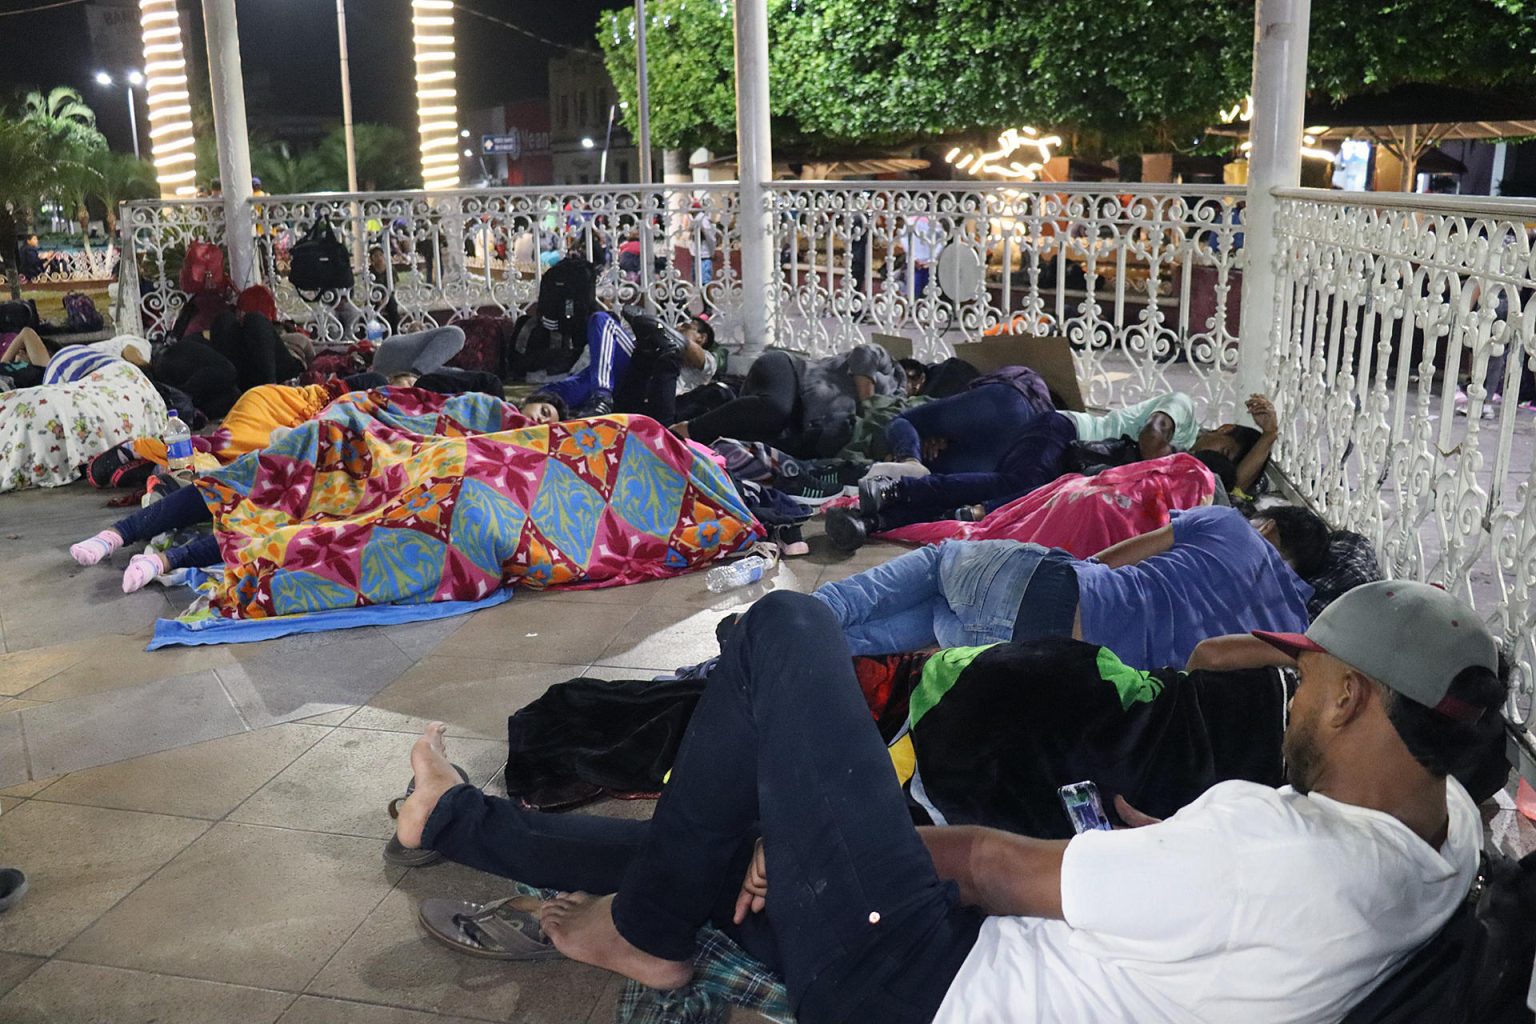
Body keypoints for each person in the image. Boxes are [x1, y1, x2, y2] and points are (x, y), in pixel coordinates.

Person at [391, 580, 1501, 1023]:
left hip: (926, 988)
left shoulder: (1270, 847)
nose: (1291, 695)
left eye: (1305, 680)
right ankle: (453, 824)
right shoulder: (1448, 835)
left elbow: (981, 864)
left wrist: (816, 826)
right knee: (721, 852)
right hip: (1018, 960)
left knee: (785, 633)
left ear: (1354, 699)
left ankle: (645, 933)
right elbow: (1234, 894)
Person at [815, 503, 1327, 670]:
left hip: (1048, 589)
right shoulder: (1289, 635)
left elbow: (1111, 558)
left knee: (931, 568)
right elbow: (1207, 661)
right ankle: (794, 649)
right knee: (929, 620)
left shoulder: (1230, 523)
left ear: (1269, 528)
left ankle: (776, 625)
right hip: (1051, 659)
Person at [828, 392, 1279, 549]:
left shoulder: (1198, 477)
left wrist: (1270, 435)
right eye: (1227, 449)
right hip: (1061, 433)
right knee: (1014, 489)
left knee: (997, 514)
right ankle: (894, 494)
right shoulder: (1181, 413)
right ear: (1220, 432)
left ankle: (873, 518)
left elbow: (1233, 486)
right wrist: (1139, 479)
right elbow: (1151, 438)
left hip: (1067, 474)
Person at [673, 344, 906, 459]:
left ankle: (685, 430)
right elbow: (865, 352)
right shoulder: (892, 371)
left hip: (796, 422)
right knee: (775, 410)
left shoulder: (898, 409)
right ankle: (686, 430)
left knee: (757, 454)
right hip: (790, 372)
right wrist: (868, 403)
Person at [0, 331, 166, 493]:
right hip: (143, 400)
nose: (18, 358)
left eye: (22, 353)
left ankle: (119, 459)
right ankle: (120, 458)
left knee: (45, 408)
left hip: (119, 381)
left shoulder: (61, 360)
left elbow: (26, 333)